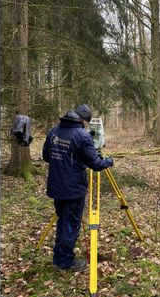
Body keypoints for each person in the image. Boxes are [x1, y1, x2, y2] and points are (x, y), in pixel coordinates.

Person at [42, 104, 113, 272]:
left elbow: (46, 157)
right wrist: (108, 161)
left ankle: (58, 258)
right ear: (83, 120)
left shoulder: (53, 132)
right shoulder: (82, 135)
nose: (86, 126)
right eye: (86, 123)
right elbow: (95, 164)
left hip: (56, 187)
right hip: (73, 189)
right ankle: (66, 262)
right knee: (70, 224)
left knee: (62, 221)